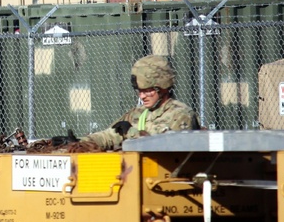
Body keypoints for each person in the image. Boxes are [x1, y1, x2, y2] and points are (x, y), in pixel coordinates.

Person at [70, 55, 200, 152]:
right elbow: (110, 135)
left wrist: (131, 132)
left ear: (163, 88)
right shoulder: (137, 113)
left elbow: (170, 150)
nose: (142, 96)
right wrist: (78, 142)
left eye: (148, 91)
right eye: (140, 91)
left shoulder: (181, 115)